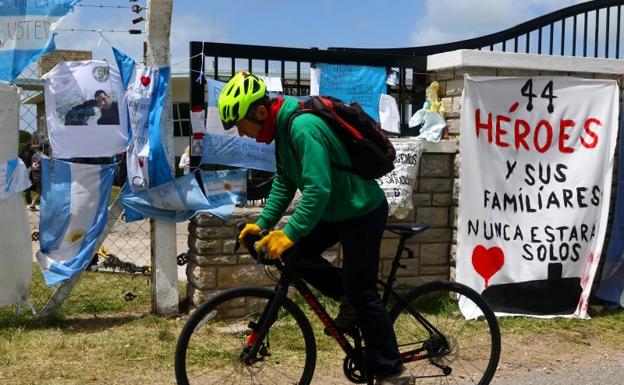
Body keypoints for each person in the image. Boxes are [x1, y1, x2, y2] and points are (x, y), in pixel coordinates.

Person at [220, 72, 411, 385]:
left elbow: (318, 189)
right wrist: (263, 224)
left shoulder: (301, 127)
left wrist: (290, 232)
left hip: (361, 210)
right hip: (334, 211)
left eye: (241, 124)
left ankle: (392, 371)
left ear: (260, 112)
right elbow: (285, 182)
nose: (241, 133)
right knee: (298, 258)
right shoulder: (283, 130)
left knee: (363, 292)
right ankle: (348, 299)